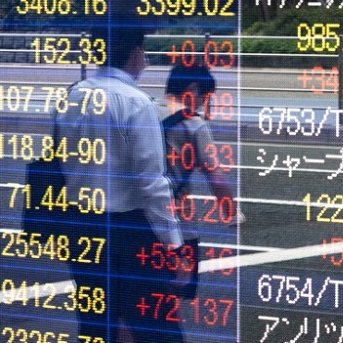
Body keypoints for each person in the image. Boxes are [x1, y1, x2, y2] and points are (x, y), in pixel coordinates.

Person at [57, 22, 188, 343]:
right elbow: (152, 185)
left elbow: (61, 162)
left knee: (97, 325)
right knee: (157, 327)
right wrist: (175, 246)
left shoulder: (72, 95)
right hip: (129, 230)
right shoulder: (136, 103)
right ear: (136, 53)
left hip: (82, 226)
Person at [158, 64, 241, 299]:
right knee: (172, 299)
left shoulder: (141, 111)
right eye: (205, 98)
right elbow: (214, 174)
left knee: (137, 305)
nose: (205, 105)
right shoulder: (193, 124)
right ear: (192, 90)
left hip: (138, 221)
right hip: (178, 225)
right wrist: (231, 213)